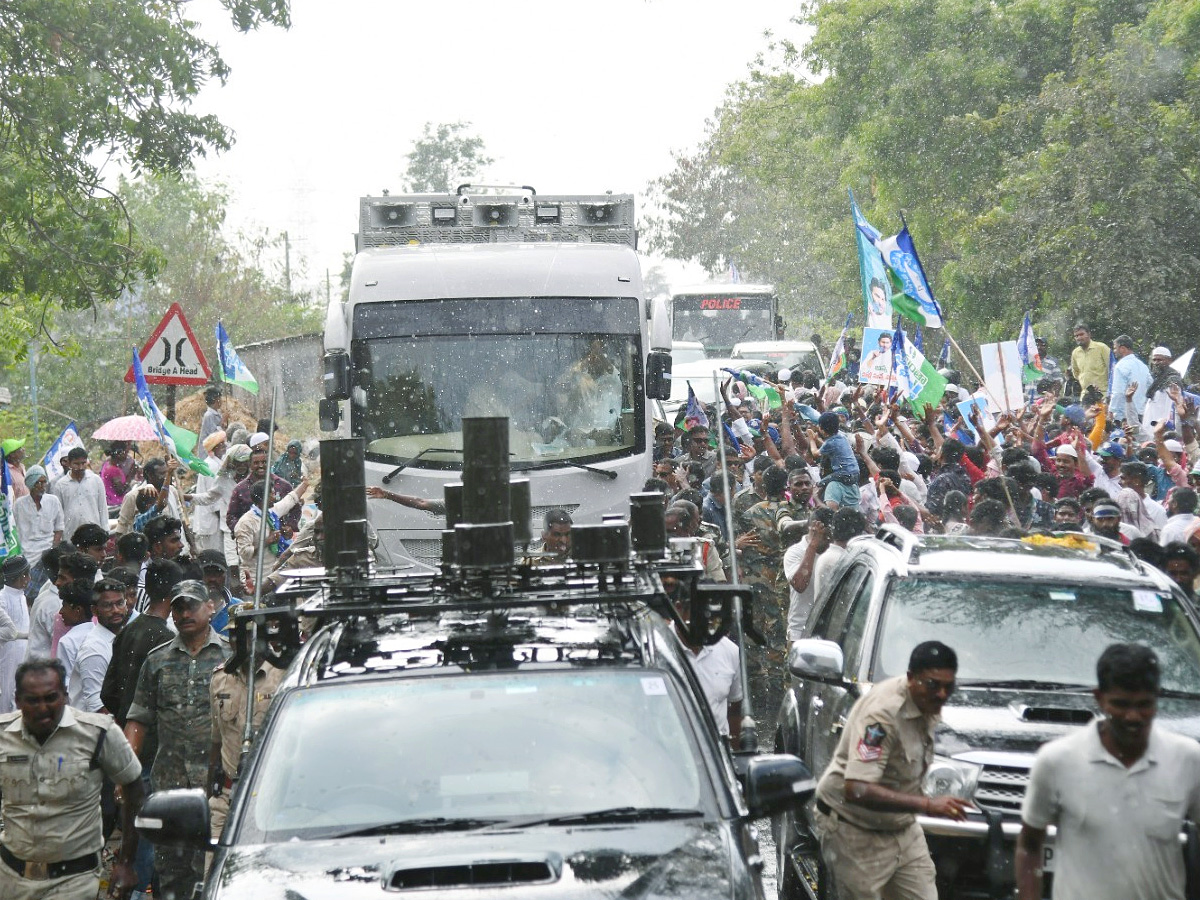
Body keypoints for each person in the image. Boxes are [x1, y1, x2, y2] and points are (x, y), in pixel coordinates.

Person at [1016, 643, 1200, 900]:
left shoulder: (1188, 759)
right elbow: (1029, 844)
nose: (1133, 717)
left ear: (1158, 698)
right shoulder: (1058, 760)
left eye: (1144, 705)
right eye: (1121, 704)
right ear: (1099, 698)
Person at [813, 641, 972, 900]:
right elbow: (856, 789)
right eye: (933, 684)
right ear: (911, 679)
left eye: (948, 686)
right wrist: (928, 805)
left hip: (902, 828)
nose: (942, 694)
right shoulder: (882, 714)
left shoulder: (927, 702)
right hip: (854, 829)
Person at [0, 658, 145, 900]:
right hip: (12, 879)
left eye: (51, 698)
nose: (43, 708)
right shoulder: (3, 736)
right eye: (32, 700)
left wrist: (127, 862)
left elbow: (134, 789)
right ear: (17, 701)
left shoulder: (98, 733)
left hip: (73, 881)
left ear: (65, 696)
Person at [124, 580, 228, 900]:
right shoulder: (157, 660)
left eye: (191, 606)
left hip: (215, 785)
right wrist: (126, 773)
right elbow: (139, 716)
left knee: (212, 867)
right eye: (178, 607)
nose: (184, 613)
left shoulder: (231, 656)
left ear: (210, 607)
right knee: (170, 870)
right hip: (169, 784)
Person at [207, 607, 286, 843]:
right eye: (235, 636)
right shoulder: (220, 679)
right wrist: (210, 793)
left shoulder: (284, 675)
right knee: (214, 871)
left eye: (250, 635)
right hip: (227, 796)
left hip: (272, 795)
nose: (241, 643)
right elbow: (216, 741)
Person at [69, 578, 131, 712]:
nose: (115, 610)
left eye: (120, 603)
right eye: (108, 605)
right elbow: (97, 706)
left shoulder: (125, 637)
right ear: (95, 611)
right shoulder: (94, 649)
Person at [13, 466, 63, 600]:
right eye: (38, 483)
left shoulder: (53, 501)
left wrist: (52, 550)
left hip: (47, 554)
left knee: (46, 594)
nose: (42, 486)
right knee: (26, 596)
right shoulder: (19, 504)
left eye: (43, 482)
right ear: (30, 484)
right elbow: (15, 530)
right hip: (27, 555)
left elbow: (59, 528)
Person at [49, 448, 108, 541]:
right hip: (70, 535)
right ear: (69, 463)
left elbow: (102, 508)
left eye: (83, 463)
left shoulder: (96, 480)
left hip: (94, 534)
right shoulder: (60, 485)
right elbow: (58, 514)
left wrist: (105, 530)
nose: (80, 467)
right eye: (76, 464)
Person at [0, 556, 31, 713]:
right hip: (7, 655)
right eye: (27, 574)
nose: (30, 579)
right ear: (21, 577)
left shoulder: (21, 595)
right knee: (6, 692)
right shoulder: (2, 599)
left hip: (22, 653)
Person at [1109, 335, 1151, 421]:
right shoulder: (1143, 366)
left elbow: (1118, 392)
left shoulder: (1120, 366)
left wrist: (1112, 410)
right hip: (1142, 413)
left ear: (1122, 348)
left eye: (1115, 348)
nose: (1114, 351)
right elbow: (1150, 388)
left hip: (1126, 415)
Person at [1069, 323, 1110, 397]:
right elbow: (1076, 374)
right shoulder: (1075, 353)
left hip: (1103, 394)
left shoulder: (1102, 348)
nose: (1079, 338)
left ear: (1089, 334)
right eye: (1076, 336)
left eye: (1081, 334)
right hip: (1085, 396)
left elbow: (1112, 369)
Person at [100, 441, 138, 510]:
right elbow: (120, 491)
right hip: (117, 504)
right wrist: (130, 475)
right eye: (125, 453)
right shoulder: (114, 470)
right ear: (119, 454)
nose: (127, 455)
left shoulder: (107, 464)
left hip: (109, 502)